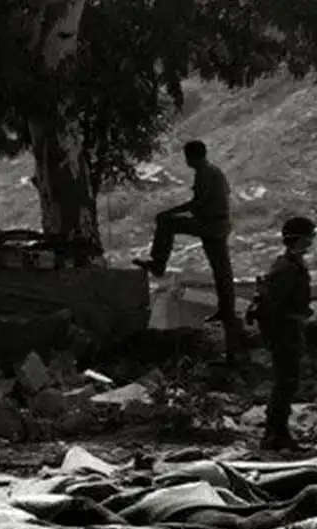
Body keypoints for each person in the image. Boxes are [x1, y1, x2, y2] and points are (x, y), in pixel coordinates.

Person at [134, 140, 242, 358]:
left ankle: (158, 263)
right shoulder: (213, 171)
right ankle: (227, 309)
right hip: (217, 224)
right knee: (221, 269)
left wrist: (169, 212)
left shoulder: (205, 173)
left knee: (167, 223)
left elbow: (198, 202)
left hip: (212, 225)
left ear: (191, 157)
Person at [246, 217, 315, 452]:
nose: (312, 240)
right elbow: (274, 306)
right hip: (284, 331)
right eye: (309, 236)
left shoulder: (291, 264)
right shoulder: (287, 267)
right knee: (285, 382)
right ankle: (274, 435)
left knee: (288, 381)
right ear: (298, 239)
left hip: (289, 329)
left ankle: (279, 433)